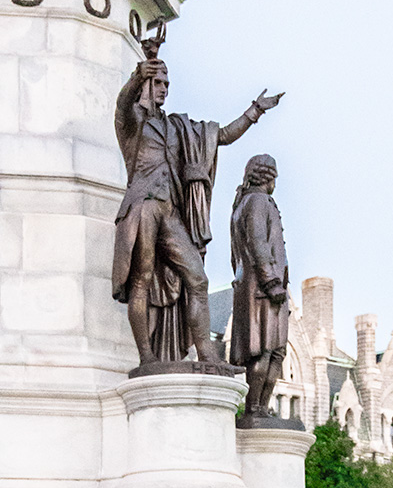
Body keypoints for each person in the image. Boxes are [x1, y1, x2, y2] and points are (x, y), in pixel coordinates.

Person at [113, 46, 282, 368]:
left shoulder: (179, 128)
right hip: (141, 207)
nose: (163, 88)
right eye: (158, 82)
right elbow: (122, 104)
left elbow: (223, 136)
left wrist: (255, 110)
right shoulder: (132, 123)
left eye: (167, 84)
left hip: (169, 210)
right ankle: (147, 358)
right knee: (142, 279)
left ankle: (206, 355)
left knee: (198, 279)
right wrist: (138, 76)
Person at [229, 156, 290, 420]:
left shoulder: (247, 204)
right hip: (264, 290)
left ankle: (262, 408)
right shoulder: (256, 202)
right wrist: (271, 282)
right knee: (264, 352)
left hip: (264, 289)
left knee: (276, 353)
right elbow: (257, 243)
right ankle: (254, 408)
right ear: (268, 176)